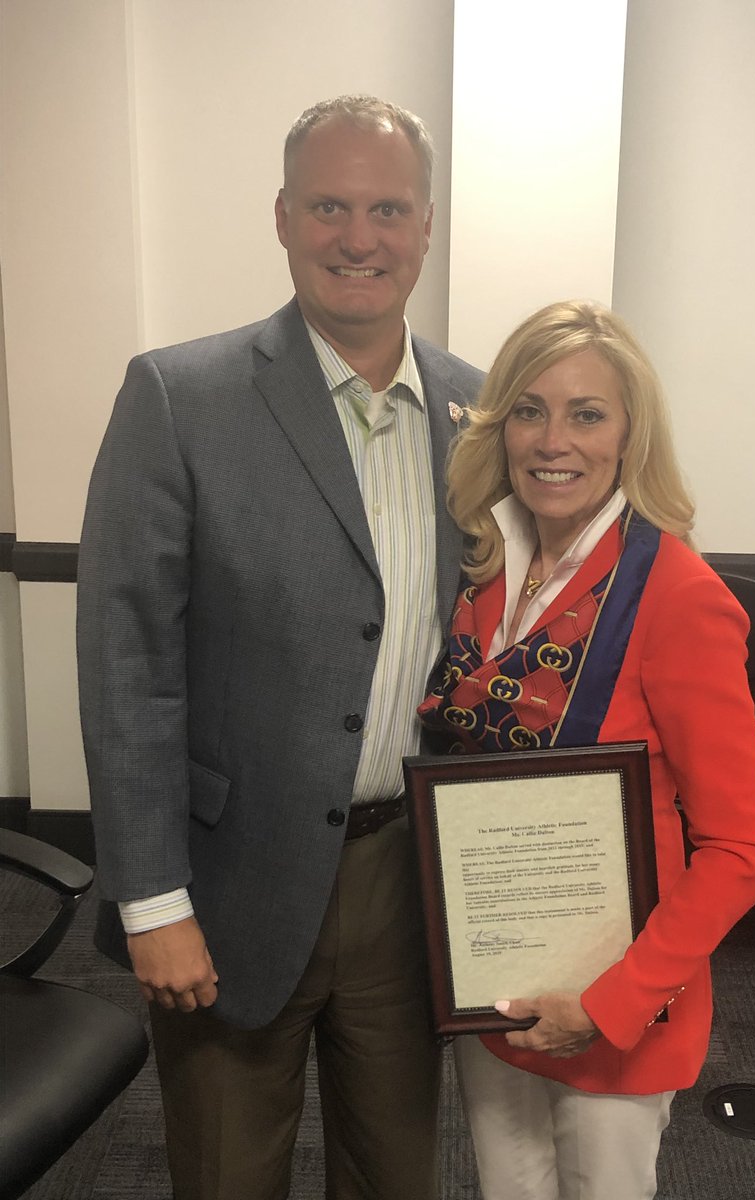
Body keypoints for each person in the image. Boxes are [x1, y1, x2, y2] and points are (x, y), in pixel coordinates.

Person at [76, 95, 483, 1200]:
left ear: (428, 226)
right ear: (283, 217)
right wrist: (150, 901)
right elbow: (129, 668)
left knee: (397, 1172)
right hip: (227, 885)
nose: (360, 237)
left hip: (407, 884)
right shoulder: (179, 395)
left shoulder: (477, 409)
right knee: (226, 1174)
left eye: (388, 208)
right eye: (330, 206)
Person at [418, 300, 755, 1200]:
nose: (555, 439)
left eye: (588, 413)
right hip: (496, 982)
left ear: (628, 436)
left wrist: (610, 1002)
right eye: (530, 409)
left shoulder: (676, 592)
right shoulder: (482, 569)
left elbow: (741, 850)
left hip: (618, 1009)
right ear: (499, 428)